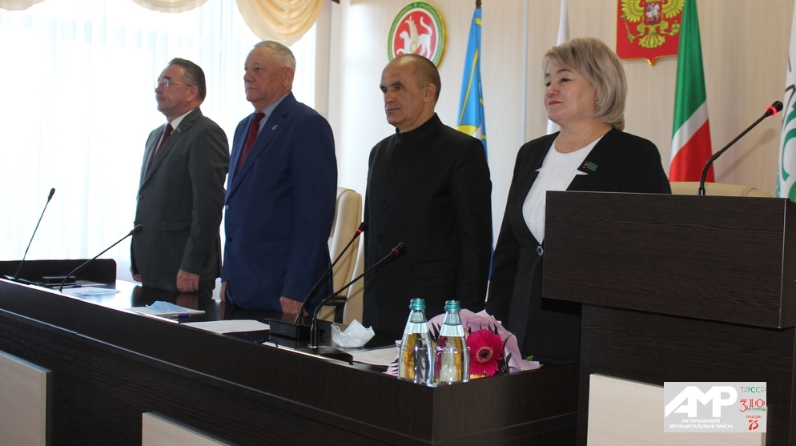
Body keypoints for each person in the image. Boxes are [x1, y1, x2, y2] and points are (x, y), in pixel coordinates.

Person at [486, 38, 671, 362]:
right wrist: (493, 323)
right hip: (520, 326)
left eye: (564, 79)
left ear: (600, 85)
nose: (551, 89)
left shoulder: (633, 154)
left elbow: (654, 253)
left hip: (591, 332)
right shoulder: (530, 153)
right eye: (547, 81)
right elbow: (508, 249)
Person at [363, 54, 492, 338]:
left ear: (428, 92)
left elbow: (475, 244)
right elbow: (373, 237)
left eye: (398, 87)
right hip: (378, 310)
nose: (388, 97)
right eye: (384, 89)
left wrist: (463, 318)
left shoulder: (461, 151)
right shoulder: (379, 152)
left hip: (432, 313)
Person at [222, 41, 337, 314]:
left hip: (282, 288)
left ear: (287, 76)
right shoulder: (243, 127)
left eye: (258, 69)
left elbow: (314, 217)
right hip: (241, 284)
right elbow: (235, 207)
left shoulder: (307, 124)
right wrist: (227, 276)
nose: (247, 76)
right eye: (246, 69)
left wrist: (297, 288)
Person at [131, 58, 229, 299]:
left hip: (183, 268)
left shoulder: (206, 133)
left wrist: (192, 265)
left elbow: (208, 206)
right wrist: (137, 258)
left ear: (191, 92)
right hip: (152, 264)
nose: (158, 89)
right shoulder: (155, 135)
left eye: (166, 83)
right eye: (158, 83)